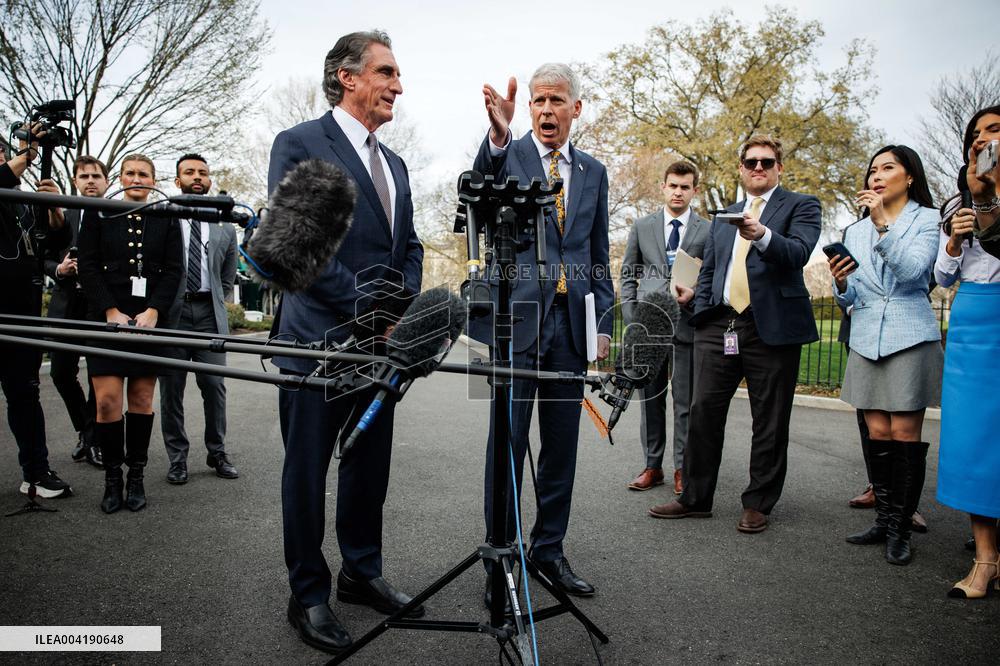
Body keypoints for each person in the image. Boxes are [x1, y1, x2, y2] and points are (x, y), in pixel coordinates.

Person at [267, 30, 424, 654]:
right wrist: (372, 312)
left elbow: (408, 247)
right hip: (316, 344)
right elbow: (297, 245)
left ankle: (362, 571)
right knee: (306, 473)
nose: (398, 86)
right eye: (386, 73)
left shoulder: (397, 163)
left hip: (379, 352)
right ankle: (308, 593)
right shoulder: (302, 142)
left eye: (396, 75)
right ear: (347, 77)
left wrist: (399, 306)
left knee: (367, 467)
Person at [472, 63, 614, 599]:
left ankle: (548, 551)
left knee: (560, 448)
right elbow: (481, 196)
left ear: (575, 108)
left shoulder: (595, 173)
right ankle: (499, 560)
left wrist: (600, 323)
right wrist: (499, 134)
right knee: (506, 445)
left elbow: (597, 254)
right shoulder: (510, 153)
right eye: (538, 101)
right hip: (518, 321)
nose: (546, 110)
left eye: (556, 100)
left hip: (570, 330)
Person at [649, 135, 821, 534]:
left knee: (770, 419)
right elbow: (712, 266)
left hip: (771, 329)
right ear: (741, 169)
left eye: (766, 162)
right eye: (750, 163)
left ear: (779, 167)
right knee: (702, 412)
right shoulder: (725, 215)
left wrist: (761, 234)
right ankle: (694, 498)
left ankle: (758, 502)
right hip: (720, 323)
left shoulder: (801, 205)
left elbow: (798, 253)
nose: (758, 168)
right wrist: (696, 295)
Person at [827, 144, 940, 566]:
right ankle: (884, 517)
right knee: (877, 433)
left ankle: (901, 528)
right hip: (866, 335)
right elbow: (852, 296)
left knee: (905, 434)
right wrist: (840, 284)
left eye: (887, 168)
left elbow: (914, 274)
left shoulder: (928, 220)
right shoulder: (855, 230)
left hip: (909, 334)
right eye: (872, 169)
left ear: (909, 176)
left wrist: (882, 224)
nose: (876, 175)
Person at [77, 153, 183, 514]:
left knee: (141, 399)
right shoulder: (98, 213)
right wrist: (110, 311)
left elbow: (173, 270)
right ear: (120, 178)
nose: (136, 178)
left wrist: (154, 311)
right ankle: (111, 478)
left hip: (147, 319)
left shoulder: (167, 217)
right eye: (129, 173)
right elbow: (88, 267)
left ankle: (135, 475)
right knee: (107, 401)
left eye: (143, 173)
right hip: (106, 317)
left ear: (154, 179)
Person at [936, 105, 1000, 597]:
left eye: (994, 130)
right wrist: (955, 244)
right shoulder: (956, 201)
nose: (983, 140)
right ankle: (985, 558)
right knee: (977, 437)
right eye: (976, 134)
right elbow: (942, 277)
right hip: (976, 316)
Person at [620, 160, 709, 495]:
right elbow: (628, 274)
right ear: (663, 186)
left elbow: (711, 275)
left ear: (694, 190)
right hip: (649, 326)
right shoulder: (642, 226)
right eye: (672, 185)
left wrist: (697, 294)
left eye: (685, 187)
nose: (678, 192)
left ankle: (682, 469)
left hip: (689, 326)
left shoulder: (708, 229)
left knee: (685, 402)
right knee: (651, 400)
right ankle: (652, 466)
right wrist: (632, 316)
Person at [0, 129, 73, 498]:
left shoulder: (23, 201)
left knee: (25, 396)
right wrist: (28, 152)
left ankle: (36, 472)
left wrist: (55, 213)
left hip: (22, 314)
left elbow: (55, 245)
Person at [158, 153, 238, 485]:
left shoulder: (224, 225)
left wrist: (215, 300)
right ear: (177, 181)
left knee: (214, 386)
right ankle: (177, 458)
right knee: (171, 390)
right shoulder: (162, 218)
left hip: (209, 314)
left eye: (202, 173)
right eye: (189, 172)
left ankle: (216, 452)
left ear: (208, 181)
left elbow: (228, 275)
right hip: (173, 314)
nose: (197, 176)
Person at [43, 156, 110, 468]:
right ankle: (86, 429)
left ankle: (94, 438)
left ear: (107, 181)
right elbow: (40, 256)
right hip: (67, 304)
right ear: (75, 181)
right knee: (60, 373)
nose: (91, 181)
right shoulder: (60, 214)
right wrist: (60, 268)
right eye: (84, 176)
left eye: (97, 175)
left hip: (101, 307)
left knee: (100, 375)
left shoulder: (117, 215)